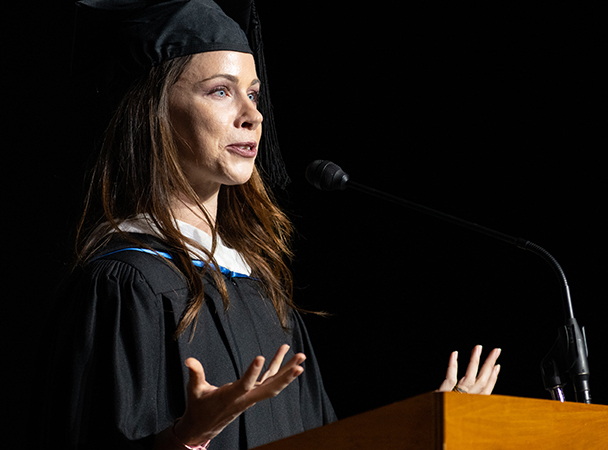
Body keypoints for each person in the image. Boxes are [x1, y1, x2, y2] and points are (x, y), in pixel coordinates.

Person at [40, 1, 501, 449]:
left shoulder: (262, 293)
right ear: (153, 112)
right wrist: (186, 437)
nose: (253, 114)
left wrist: (418, 431)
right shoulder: (126, 285)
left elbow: (322, 442)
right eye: (221, 90)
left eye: (254, 93)